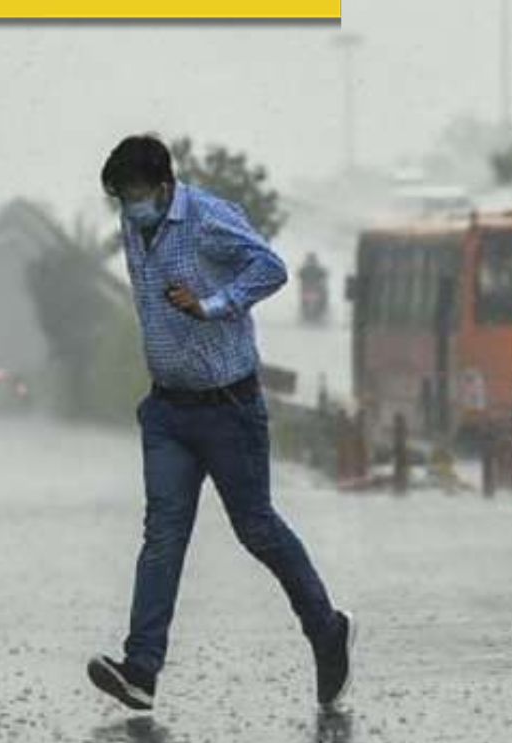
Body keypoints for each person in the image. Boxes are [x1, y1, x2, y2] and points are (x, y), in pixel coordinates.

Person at [86, 134, 355, 712]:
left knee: (256, 529)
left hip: (228, 407)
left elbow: (272, 268)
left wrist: (212, 304)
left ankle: (327, 631)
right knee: (163, 536)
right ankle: (142, 668)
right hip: (167, 411)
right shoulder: (134, 226)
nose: (129, 209)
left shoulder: (208, 218)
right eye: (120, 199)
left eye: (135, 196)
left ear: (163, 188)